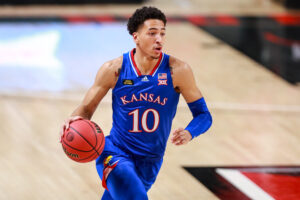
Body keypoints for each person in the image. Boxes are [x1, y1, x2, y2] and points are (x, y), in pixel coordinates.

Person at [60, 6, 212, 200]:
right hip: (114, 152)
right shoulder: (114, 69)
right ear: (136, 37)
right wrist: (74, 120)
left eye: (162, 33)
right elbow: (87, 108)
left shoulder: (178, 71)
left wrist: (190, 132)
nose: (159, 39)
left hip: (150, 162)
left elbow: (203, 115)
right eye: (152, 33)